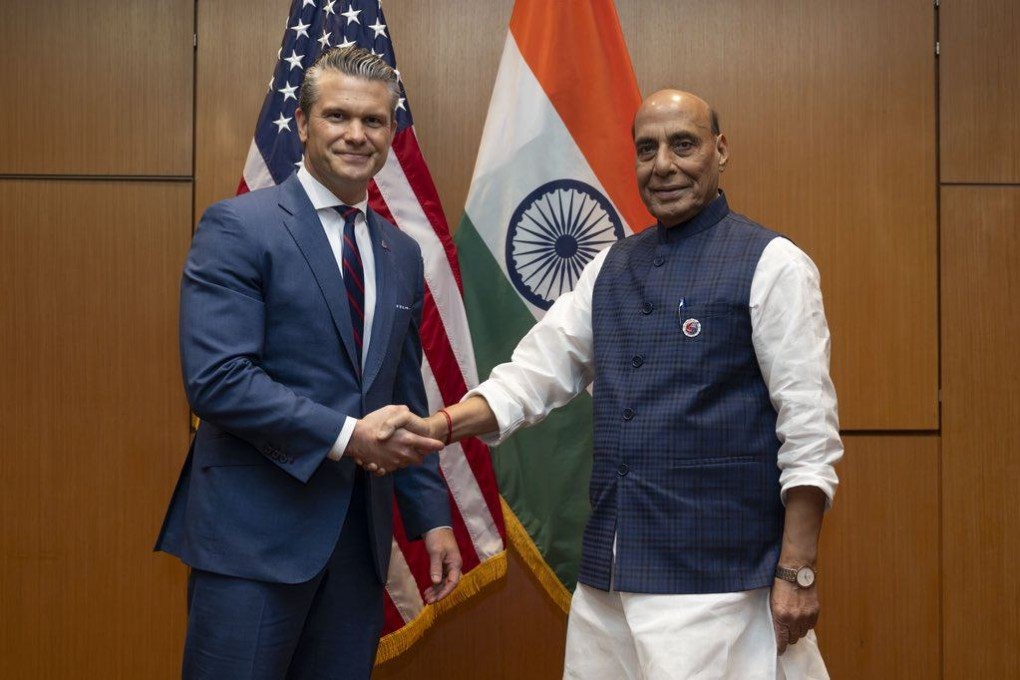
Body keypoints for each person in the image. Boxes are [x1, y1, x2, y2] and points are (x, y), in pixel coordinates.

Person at [388, 90, 841, 679]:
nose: (664, 165)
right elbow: (534, 375)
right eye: (647, 149)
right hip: (608, 580)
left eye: (683, 144)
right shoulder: (608, 268)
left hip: (715, 583)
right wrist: (440, 425)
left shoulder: (774, 264)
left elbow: (808, 430)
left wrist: (796, 572)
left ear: (720, 150)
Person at [155, 47, 461, 679]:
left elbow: (401, 394)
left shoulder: (400, 252)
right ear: (302, 123)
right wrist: (349, 437)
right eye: (337, 116)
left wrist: (430, 519)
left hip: (357, 545)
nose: (356, 134)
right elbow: (218, 380)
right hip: (253, 540)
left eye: (374, 121)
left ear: (392, 132)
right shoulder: (240, 227)